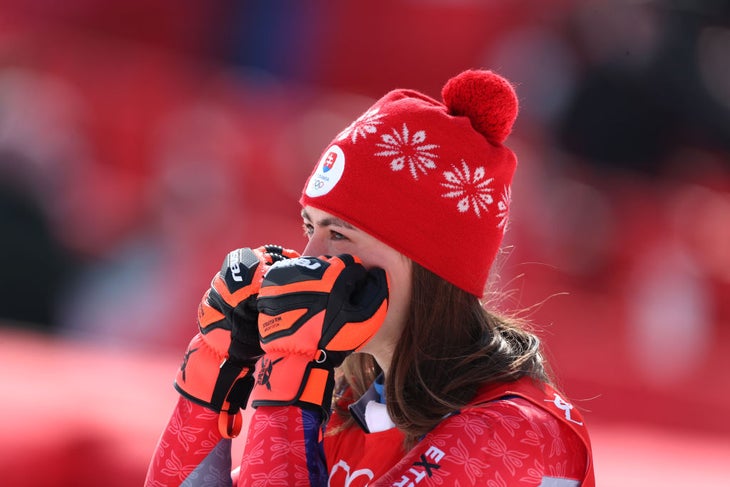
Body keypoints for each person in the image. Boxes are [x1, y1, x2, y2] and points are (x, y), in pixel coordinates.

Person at [145, 69, 595, 486]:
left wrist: (290, 381)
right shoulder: (352, 409)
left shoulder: (516, 433)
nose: (309, 258)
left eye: (339, 235)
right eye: (310, 228)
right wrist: (212, 378)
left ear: (426, 261)